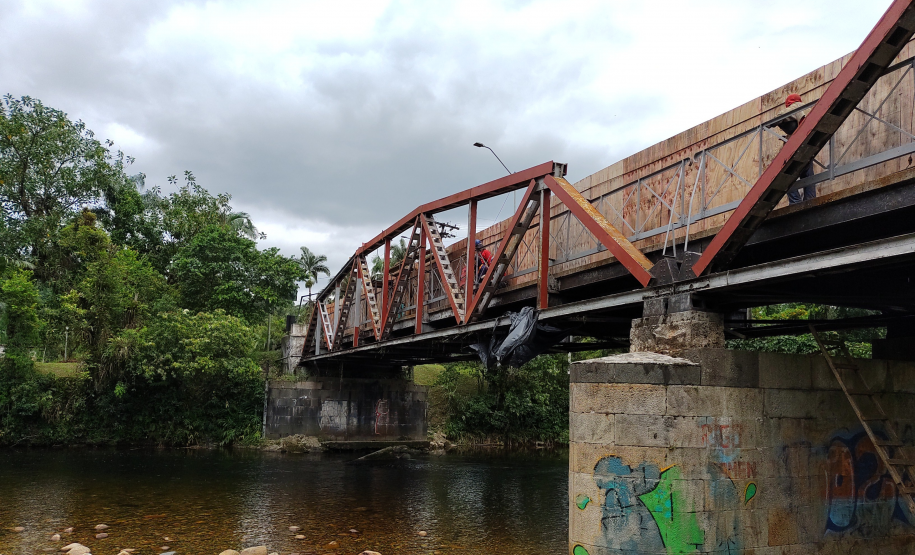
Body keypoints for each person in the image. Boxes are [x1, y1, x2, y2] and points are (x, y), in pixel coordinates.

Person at [775, 93, 816, 204]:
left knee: (786, 176)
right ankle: (810, 199)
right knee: (807, 174)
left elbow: (781, 115)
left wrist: (772, 123)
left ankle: (795, 202)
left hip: (798, 146)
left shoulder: (796, 106)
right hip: (809, 145)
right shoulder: (810, 109)